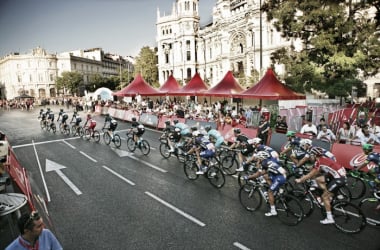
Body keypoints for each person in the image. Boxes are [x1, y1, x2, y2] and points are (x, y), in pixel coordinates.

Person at [295, 147, 347, 224]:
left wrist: (300, 180)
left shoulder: (319, 162)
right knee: (319, 179)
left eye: (311, 156)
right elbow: (319, 171)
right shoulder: (323, 158)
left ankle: (329, 218)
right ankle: (328, 193)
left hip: (339, 178)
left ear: (314, 155)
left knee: (324, 197)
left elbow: (310, 175)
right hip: (338, 175)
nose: (310, 157)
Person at [243, 151, 287, 217]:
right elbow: (264, 172)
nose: (257, 160)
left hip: (279, 178)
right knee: (265, 176)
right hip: (281, 175)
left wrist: (248, 177)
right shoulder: (268, 161)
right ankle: (276, 190)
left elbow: (258, 174)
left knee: (270, 192)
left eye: (258, 158)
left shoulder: (264, 163)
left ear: (261, 158)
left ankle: (273, 211)